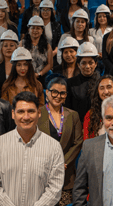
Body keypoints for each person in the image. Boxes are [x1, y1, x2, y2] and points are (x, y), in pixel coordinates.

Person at [0, 91, 65, 205]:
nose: (26, 117)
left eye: (31, 111)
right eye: (21, 111)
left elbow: (55, 188)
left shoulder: (54, 147)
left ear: (39, 113)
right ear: (13, 114)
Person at [40, 77, 84, 205]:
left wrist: (62, 163)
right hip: (43, 173)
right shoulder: (37, 113)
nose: (58, 96)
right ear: (47, 92)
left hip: (66, 174)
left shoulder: (73, 115)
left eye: (62, 93)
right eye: (54, 92)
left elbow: (78, 142)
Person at [66, 42, 101, 118]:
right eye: (83, 63)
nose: (87, 66)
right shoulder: (70, 83)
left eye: (91, 63)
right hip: (78, 124)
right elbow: (68, 109)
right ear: (78, 65)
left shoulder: (101, 82)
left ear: (96, 64)